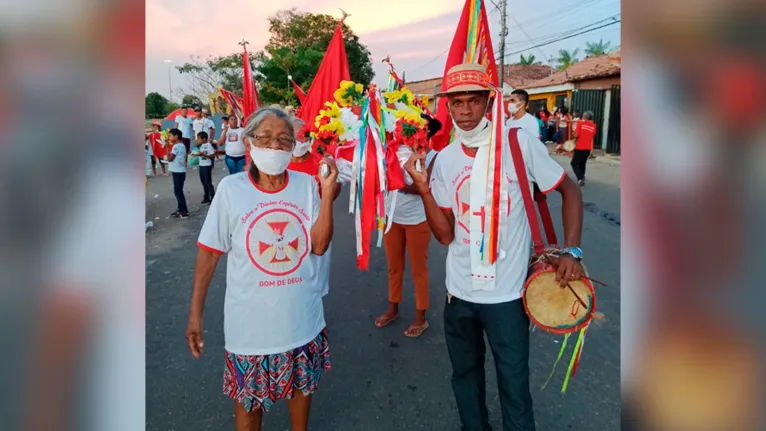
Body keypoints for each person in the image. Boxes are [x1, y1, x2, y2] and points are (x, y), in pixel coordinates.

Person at [403, 62, 584, 431]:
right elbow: (444, 236)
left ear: (489, 102)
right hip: (460, 295)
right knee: (465, 379)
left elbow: (570, 190)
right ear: (447, 106)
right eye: (457, 102)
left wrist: (572, 250)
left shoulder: (518, 143)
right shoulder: (446, 159)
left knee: (514, 386)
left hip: (507, 296)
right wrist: (423, 189)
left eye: (474, 101)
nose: (465, 111)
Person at [185, 107, 338, 431]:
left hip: (301, 318)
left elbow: (319, 246)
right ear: (249, 141)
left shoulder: (306, 185)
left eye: (284, 140)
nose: (274, 146)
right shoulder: (231, 190)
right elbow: (209, 255)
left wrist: (326, 195)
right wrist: (195, 314)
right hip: (250, 328)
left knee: (301, 390)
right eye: (265, 138)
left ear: (293, 146)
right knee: (248, 406)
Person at [286, 117, 341, 299]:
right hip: (288, 230)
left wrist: (334, 183)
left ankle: (317, 317)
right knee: (291, 278)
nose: (298, 143)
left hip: (317, 225)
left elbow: (333, 193)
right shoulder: (281, 164)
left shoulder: (321, 162)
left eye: (303, 137)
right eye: (293, 138)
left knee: (317, 274)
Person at [165, 128, 189, 219]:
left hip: (178, 171)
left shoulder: (177, 146)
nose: (169, 138)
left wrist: (167, 148)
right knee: (178, 191)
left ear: (176, 136)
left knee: (178, 191)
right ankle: (180, 209)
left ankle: (184, 212)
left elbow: (170, 158)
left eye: (170, 136)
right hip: (179, 170)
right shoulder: (181, 145)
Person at [571, 110, 597, 186]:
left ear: (585, 117)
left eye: (583, 116)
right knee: (582, 163)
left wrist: (574, 135)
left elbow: (576, 135)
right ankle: (581, 178)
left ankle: (581, 177)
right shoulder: (594, 126)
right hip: (588, 148)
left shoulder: (580, 123)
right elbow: (592, 135)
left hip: (580, 147)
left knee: (574, 164)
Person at [195, 131, 216, 203]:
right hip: (201, 165)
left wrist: (203, 155)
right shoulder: (200, 145)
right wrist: (197, 155)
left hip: (207, 165)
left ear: (204, 139)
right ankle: (206, 197)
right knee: (203, 182)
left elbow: (212, 156)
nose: (198, 140)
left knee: (208, 182)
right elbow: (196, 146)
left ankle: (213, 197)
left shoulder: (208, 145)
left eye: (199, 138)